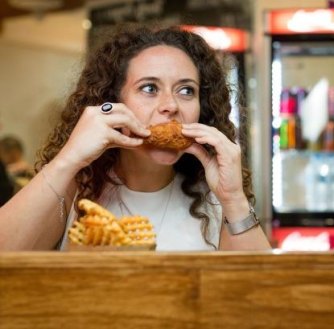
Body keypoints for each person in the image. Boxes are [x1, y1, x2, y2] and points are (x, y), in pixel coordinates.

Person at [0, 26, 270, 251]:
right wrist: (69, 159)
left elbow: (261, 296)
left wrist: (234, 199)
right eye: (149, 88)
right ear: (114, 101)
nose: (171, 105)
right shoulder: (73, 190)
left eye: (186, 90)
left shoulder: (215, 201)